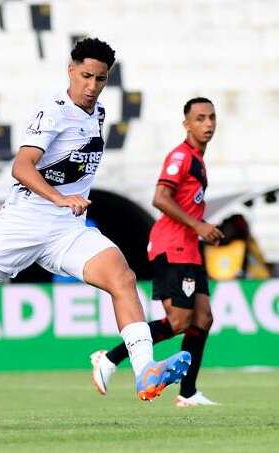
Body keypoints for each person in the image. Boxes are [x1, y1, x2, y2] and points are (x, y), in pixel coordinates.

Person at [0, 38, 192, 402]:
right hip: (23, 224)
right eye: (86, 76)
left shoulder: (99, 114)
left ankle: (145, 372)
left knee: (122, 276)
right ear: (71, 71)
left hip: (65, 229)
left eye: (101, 79)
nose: (92, 86)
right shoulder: (53, 111)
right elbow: (22, 165)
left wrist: (50, 201)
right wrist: (54, 199)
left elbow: (59, 166)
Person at [91, 97, 222, 406]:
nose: (208, 124)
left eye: (212, 118)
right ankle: (109, 359)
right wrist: (199, 225)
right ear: (186, 124)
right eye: (200, 118)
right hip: (171, 246)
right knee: (178, 321)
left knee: (202, 319)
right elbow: (160, 198)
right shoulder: (181, 157)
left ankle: (188, 392)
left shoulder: (197, 159)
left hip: (188, 248)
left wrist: (202, 228)